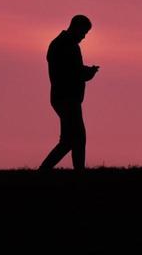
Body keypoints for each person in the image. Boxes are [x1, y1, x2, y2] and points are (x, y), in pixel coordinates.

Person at [39, 14, 99, 171]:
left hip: (63, 97)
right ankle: (76, 172)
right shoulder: (66, 45)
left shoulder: (60, 43)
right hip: (67, 98)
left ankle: (44, 171)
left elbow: (72, 70)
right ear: (76, 28)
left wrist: (85, 72)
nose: (84, 37)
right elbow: (72, 72)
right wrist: (88, 73)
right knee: (77, 138)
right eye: (84, 32)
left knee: (69, 140)